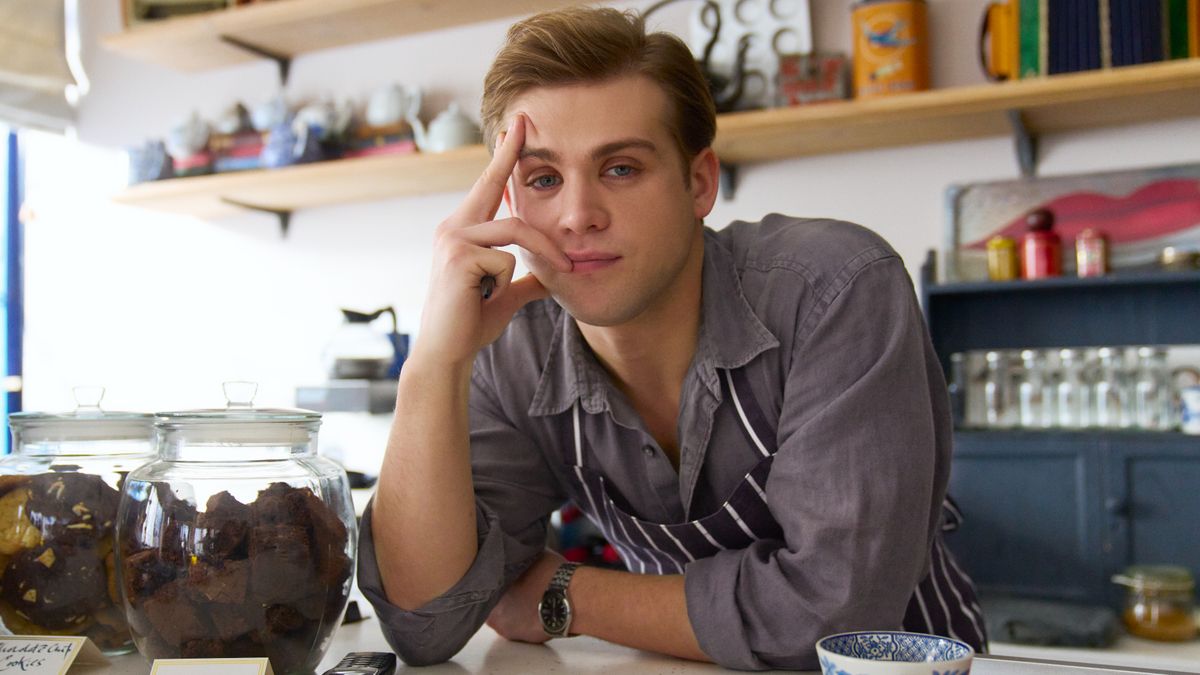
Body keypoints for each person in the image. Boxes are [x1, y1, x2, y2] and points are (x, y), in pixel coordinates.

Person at [358, 6, 987, 670]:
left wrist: (565, 594)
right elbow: (426, 622)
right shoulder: (510, 346)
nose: (578, 216)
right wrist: (433, 362)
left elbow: (837, 616)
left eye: (621, 168)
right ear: (511, 204)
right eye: (543, 179)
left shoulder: (834, 290)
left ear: (699, 182)